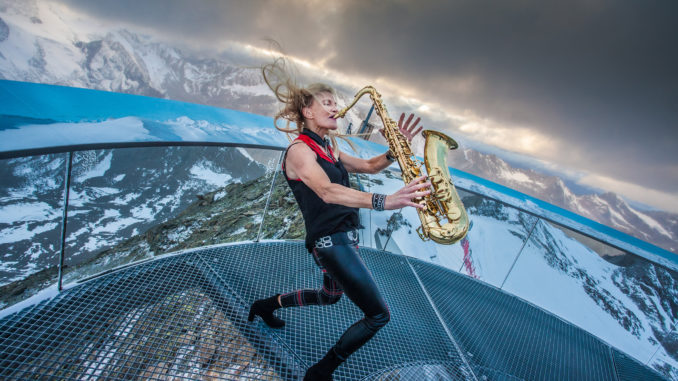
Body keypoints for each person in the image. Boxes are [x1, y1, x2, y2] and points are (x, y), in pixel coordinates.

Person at [248, 60, 431, 380]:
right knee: (378, 316)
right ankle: (320, 373)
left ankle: (266, 306)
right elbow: (328, 191)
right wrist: (385, 201)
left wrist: (394, 149)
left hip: (343, 238)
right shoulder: (299, 151)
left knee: (329, 297)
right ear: (307, 112)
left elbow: (371, 167)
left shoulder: (329, 147)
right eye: (328, 103)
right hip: (330, 243)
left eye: (335, 101)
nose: (337, 107)